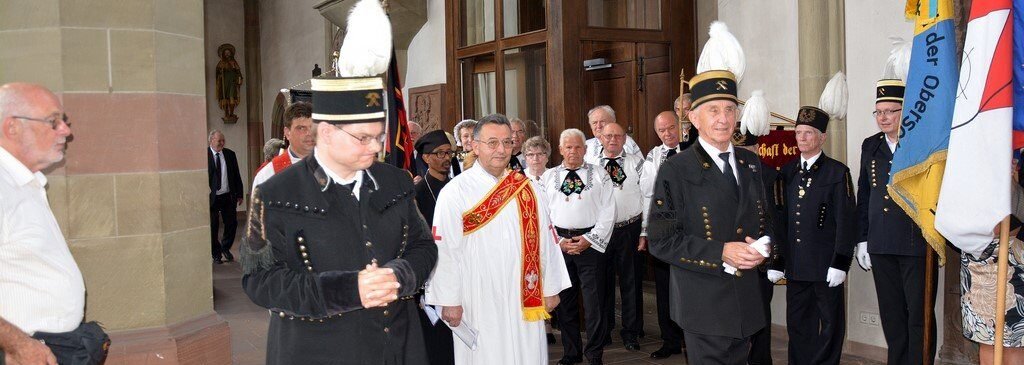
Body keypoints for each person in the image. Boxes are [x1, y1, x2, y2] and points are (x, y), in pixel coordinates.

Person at [240, 73, 438, 364]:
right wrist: (349, 290)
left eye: (379, 136)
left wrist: (400, 275)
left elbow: (424, 246)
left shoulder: (396, 182)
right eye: (363, 137)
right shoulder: (273, 192)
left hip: (396, 345)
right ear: (328, 133)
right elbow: (260, 280)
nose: (374, 147)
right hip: (317, 349)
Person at [647, 69, 773, 364]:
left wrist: (764, 249)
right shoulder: (676, 169)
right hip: (703, 301)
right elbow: (661, 241)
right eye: (713, 110)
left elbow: (767, 220)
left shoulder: (750, 162)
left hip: (746, 297)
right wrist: (721, 252)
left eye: (730, 109)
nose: (723, 118)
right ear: (693, 118)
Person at [425, 114, 570, 364]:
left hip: (524, 294)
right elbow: (444, 248)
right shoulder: (455, 191)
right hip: (477, 295)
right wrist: (449, 300)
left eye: (506, 142)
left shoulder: (529, 188)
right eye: (492, 143)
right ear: (475, 145)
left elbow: (547, 238)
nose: (501, 149)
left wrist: (550, 287)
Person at [855, 79, 936, 364]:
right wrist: (862, 238)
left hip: (915, 240)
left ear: (905, 111)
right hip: (880, 241)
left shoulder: (922, 143)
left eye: (890, 111)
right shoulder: (871, 145)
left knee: (918, 314)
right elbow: (864, 194)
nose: (883, 117)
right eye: (879, 112)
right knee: (891, 314)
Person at [0, 82, 81, 365]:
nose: (66, 131)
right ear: (12, 128)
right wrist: (17, 343)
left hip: (49, 347)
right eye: (53, 121)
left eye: (64, 121)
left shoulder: (25, 182)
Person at [779, 106, 856, 365]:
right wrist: (778, 260)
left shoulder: (837, 172)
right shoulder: (787, 173)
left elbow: (847, 220)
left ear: (822, 137)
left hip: (826, 265)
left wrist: (841, 262)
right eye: (798, 132)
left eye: (808, 133)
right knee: (798, 323)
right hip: (797, 265)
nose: (802, 138)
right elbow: (780, 220)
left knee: (831, 324)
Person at [541, 128, 615, 365]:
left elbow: (608, 210)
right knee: (565, 304)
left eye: (578, 147)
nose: (573, 151)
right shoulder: (548, 177)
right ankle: (571, 353)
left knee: (595, 305)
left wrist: (590, 240)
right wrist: (559, 241)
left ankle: (594, 354)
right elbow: (542, 214)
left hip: (590, 246)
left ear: (585, 149)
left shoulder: (601, 174)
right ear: (561, 149)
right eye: (568, 147)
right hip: (559, 246)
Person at [733, 124, 786, 365]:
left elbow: (778, 220)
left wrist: (774, 258)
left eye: (747, 148)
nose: (742, 153)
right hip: (732, 259)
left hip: (761, 260)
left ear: (757, 147)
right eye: (737, 148)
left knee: (761, 317)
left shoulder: (771, 175)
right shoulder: (725, 175)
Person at [596, 122, 651, 351]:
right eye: (608, 136)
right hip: (601, 232)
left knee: (631, 282)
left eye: (617, 136)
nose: (612, 140)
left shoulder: (637, 163)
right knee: (602, 283)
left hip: (629, 229)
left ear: (624, 138)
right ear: (600, 138)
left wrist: (644, 231)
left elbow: (648, 195)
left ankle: (631, 332)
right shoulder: (590, 165)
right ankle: (604, 330)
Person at [642, 111, 685, 360]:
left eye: (671, 128)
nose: (667, 134)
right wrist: (646, 231)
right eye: (662, 131)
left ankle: (689, 337)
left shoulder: (692, 150)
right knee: (664, 289)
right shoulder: (654, 156)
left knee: (688, 288)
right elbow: (647, 192)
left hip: (688, 233)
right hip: (663, 231)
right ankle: (669, 340)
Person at [412, 129, 456, 365]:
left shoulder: (459, 189)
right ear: (426, 158)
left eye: (449, 152)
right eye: (439, 153)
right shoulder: (417, 193)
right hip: (431, 275)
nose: (446, 158)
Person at [251, 101, 315, 191]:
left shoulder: (334, 168)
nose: (309, 133)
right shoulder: (268, 175)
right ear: (287, 133)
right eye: (301, 128)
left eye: (312, 127)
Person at [208, 130, 243, 264]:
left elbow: (236, 175)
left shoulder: (230, 154)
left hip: (228, 195)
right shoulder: (204, 155)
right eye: (219, 141)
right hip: (212, 197)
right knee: (213, 225)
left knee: (232, 223)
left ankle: (225, 248)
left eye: (223, 140)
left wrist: (239, 194)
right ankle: (216, 254)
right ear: (211, 141)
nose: (222, 143)